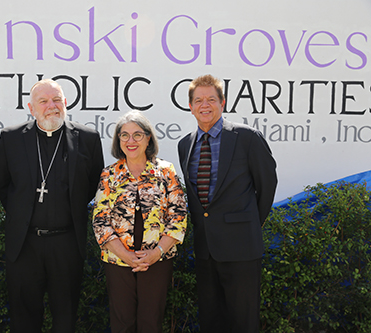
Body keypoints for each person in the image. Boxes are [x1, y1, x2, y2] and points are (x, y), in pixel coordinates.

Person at [0, 78, 104, 332]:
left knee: (65, 317)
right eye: (43, 101)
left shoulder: (87, 138)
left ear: (65, 103)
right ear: (31, 109)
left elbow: (92, 184)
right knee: (24, 318)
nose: (51, 106)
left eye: (56, 100)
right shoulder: (11, 138)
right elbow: (2, 182)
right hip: (24, 243)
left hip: (66, 243)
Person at [177, 74, 277, 332]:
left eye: (211, 98)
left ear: (223, 102)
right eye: (198, 100)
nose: (205, 105)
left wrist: (250, 224)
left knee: (243, 322)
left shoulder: (247, 138)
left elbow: (267, 185)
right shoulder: (185, 144)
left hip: (242, 248)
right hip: (206, 250)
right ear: (190, 106)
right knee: (211, 321)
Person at [92, 110, 187, 333]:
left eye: (137, 134)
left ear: (148, 138)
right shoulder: (109, 175)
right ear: (118, 140)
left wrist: (157, 253)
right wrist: (125, 255)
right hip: (117, 261)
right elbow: (100, 221)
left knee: (151, 323)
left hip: (157, 261)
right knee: (122, 323)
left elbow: (179, 216)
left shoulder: (166, 172)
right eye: (124, 135)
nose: (130, 141)